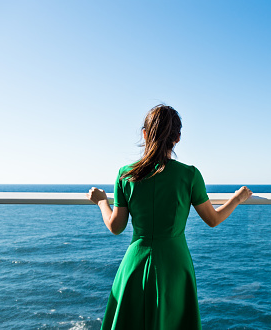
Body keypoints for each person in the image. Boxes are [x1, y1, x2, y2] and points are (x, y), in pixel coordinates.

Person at [86, 104, 252, 330]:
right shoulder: (189, 174)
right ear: (178, 138)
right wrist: (237, 198)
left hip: (136, 263)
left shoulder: (126, 175)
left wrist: (101, 201)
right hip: (175, 263)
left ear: (144, 134)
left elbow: (116, 226)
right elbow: (212, 219)